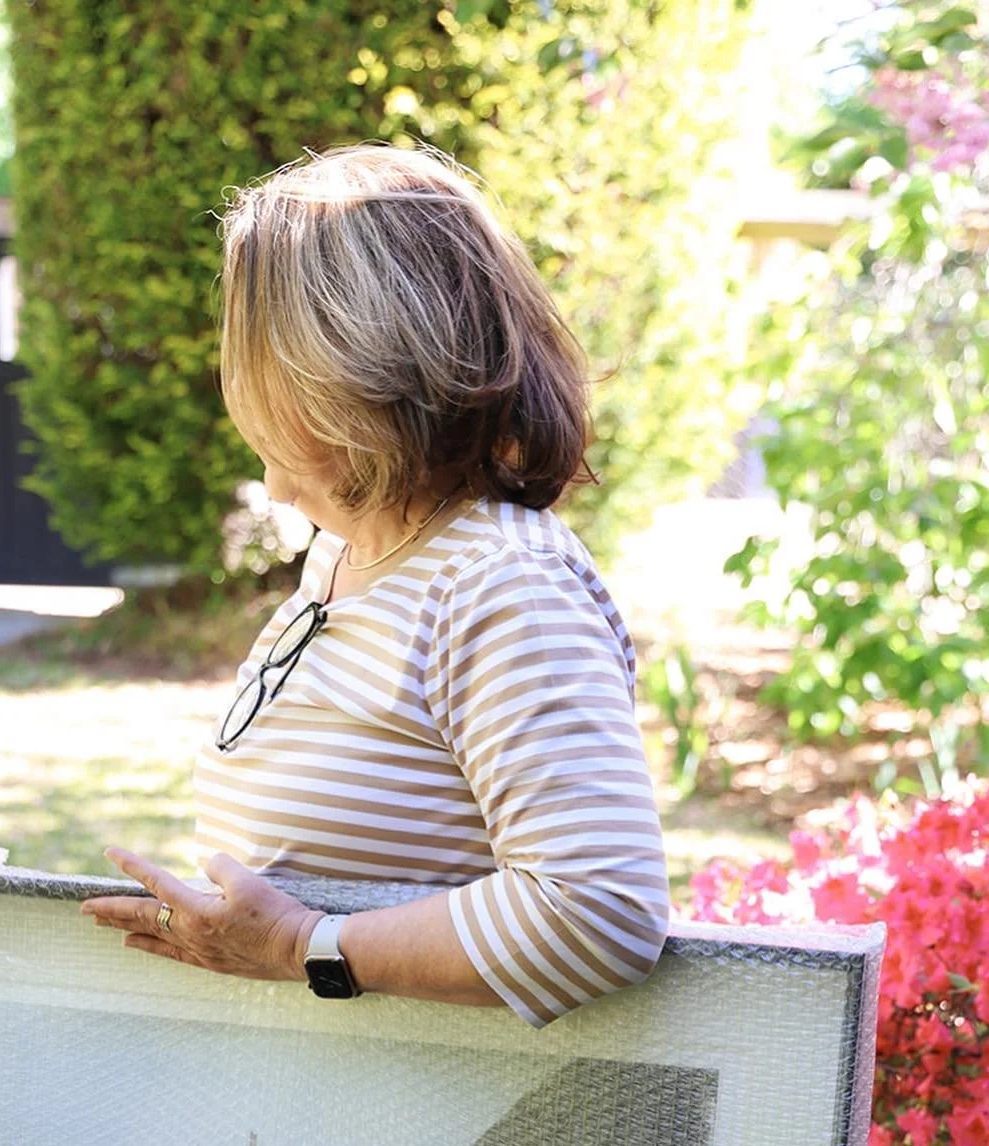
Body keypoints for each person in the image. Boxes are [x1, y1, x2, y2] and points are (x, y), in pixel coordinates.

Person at [80, 142, 670, 1030]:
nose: (274, 482)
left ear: (365, 375)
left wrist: (305, 948)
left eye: (281, 394)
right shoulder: (350, 557)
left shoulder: (500, 583)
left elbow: (599, 909)